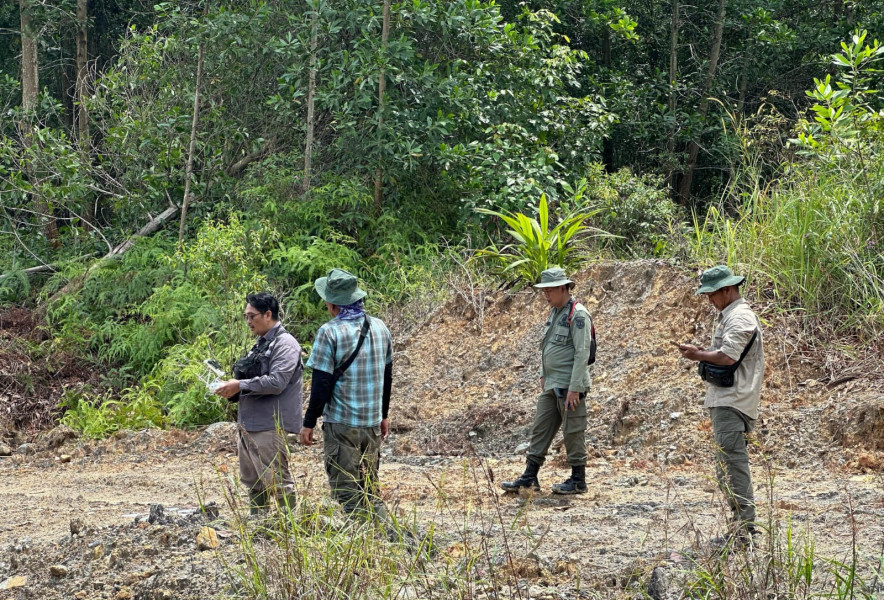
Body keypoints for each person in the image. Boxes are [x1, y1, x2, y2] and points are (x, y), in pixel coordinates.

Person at [676, 265, 765, 543]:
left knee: (732, 464)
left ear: (727, 290)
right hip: (728, 399)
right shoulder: (731, 316)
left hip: (733, 400)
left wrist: (698, 355)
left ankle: (744, 530)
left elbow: (727, 357)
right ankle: (740, 526)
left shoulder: (740, 316)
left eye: (712, 294)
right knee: (725, 466)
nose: (709, 300)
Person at [300, 269, 393, 521]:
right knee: (370, 490)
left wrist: (308, 423)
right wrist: (383, 415)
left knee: (347, 495)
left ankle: (366, 546)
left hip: (342, 425)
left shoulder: (329, 332)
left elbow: (321, 385)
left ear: (332, 305)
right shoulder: (380, 328)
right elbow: (387, 376)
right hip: (372, 425)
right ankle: (385, 539)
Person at [502, 267, 593, 495]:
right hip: (552, 383)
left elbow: (582, 353)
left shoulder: (578, 314)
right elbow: (547, 346)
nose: (546, 295)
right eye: (544, 290)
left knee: (573, 431)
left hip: (568, 384)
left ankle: (578, 480)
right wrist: (543, 374)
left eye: (550, 290)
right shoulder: (555, 312)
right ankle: (530, 476)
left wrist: (575, 388)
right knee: (541, 428)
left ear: (564, 288)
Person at [214, 292, 303, 514]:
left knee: (277, 479)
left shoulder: (285, 344)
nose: (248, 321)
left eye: (252, 316)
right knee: (253, 480)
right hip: (249, 423)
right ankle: (260, 529)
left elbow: (277, 381)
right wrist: (232, 387)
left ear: (268, 314)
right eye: (246, 316)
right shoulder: (262, 343)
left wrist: (240, 385)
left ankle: (289, 534)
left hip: (270, 423)